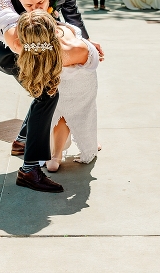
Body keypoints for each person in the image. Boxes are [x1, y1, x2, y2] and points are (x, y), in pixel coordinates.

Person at [0, 0, 102, 192]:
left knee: (50, 93)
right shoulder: (12, 26)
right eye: (27, 5)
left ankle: (23, 141)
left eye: (39, 3)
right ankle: (29, 169)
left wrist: (85, 42)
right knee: (46, 94)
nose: (34, 9)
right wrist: (85, 50)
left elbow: (70, 16)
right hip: (11, 58)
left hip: (49, 50)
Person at [15, 10, 101, 174]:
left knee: (59, 112)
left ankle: (55, 156)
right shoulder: (76, 48)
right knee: (83, 112)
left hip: (53, 82)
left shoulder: (25, 48)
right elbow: (93, 59)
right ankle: (88, 142)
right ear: (54, 30)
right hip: (82, 83)